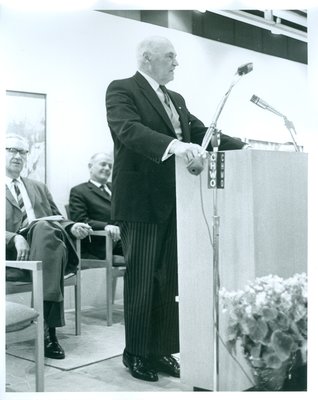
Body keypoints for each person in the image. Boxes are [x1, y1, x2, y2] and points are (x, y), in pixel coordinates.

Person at [105, 35, 249, 382]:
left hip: (175, 202)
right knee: (142, 280)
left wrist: (243, 145)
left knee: (169, 280)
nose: (175, 63)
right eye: (170, 56)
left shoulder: (176, 100)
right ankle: (136, 353)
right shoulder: (122, 89)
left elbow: (200, 133)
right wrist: (175, 145)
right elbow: (129, 130)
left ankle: (161, 350)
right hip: (140, 204)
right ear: (146, 57)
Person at [5, 134, 93, 360]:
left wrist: (72, 226)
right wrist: (13, 237)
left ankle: (46, 327)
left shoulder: (38, 186)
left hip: (43, 242)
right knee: (47, 235)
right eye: (11, 150)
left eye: (22, 152)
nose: (17, 156)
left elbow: (57, 218)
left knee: (45, 229)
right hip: (10, 251)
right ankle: (48, 329)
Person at [68, 152, 122, 258]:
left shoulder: (117, 188)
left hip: (124, 237)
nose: (107, 168)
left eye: (110, 166)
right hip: (102, 242)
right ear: (90, 166)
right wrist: (106, 226)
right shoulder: (79, 191)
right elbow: (80, 220)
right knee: (144, 249)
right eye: (103, 164)